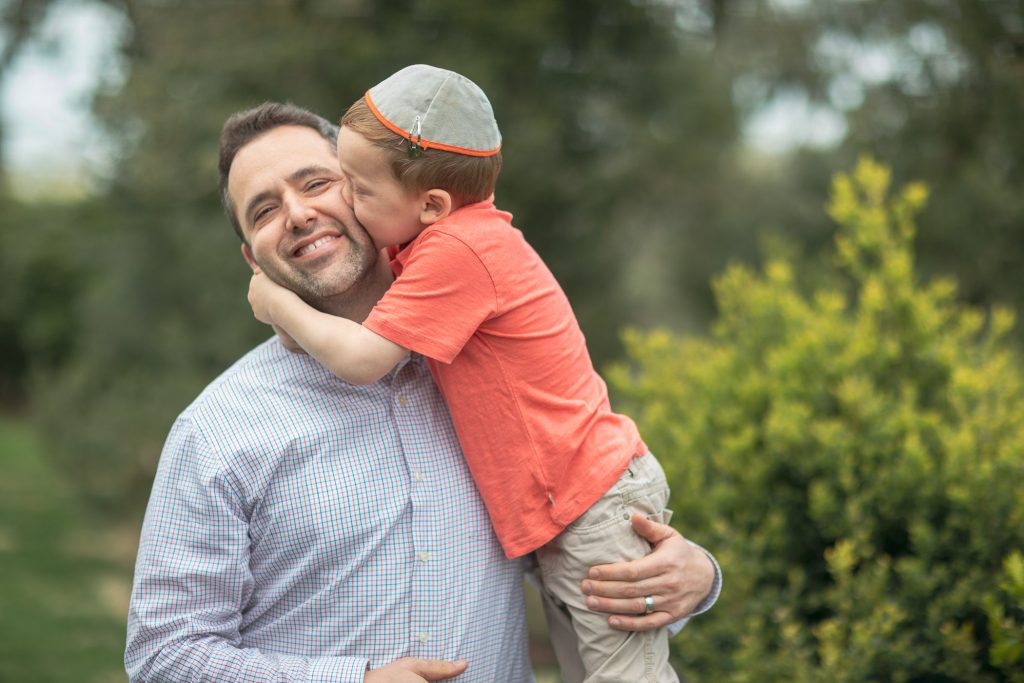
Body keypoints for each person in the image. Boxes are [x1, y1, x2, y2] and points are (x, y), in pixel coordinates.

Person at [125, 101, 721, 683]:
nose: (299, 214)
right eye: (263, 212)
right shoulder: (218, 430)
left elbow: (581, 566)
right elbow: (164, 655)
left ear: (375, 189)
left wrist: (690, 581)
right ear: (251, 258)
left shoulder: (491, 377)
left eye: (316, 182)